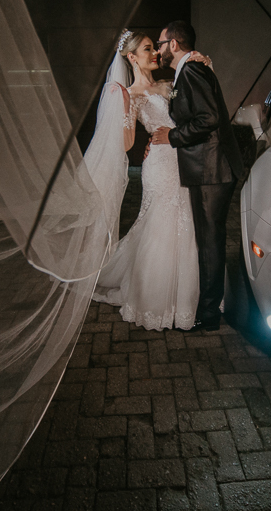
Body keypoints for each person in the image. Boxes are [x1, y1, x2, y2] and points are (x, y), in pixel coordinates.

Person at [88, 29, 210, 331]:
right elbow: (127, 143)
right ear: (131, 57)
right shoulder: (130, 94)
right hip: (159, 166)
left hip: (183, 162)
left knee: (188, 222)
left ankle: (187, 298)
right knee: (161, 224)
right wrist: (124, 112)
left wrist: (205, 66)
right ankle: (154, 299)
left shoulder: (170, 84)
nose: (155, 53)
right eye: (147, 49)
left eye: (155, 48)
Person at [150, 20, 245, 332]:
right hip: (210, 167)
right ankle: (210, 306)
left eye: (161, 43)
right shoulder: (191, 68)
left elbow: (209, 118)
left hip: (210, 168)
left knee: (210, 242)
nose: (159, 49)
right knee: (210, 240)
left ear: (174, 45)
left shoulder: (191, 70)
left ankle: (208, 315)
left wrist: (173, 136)